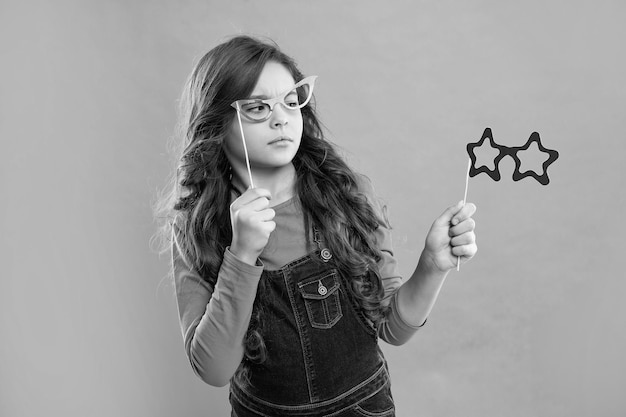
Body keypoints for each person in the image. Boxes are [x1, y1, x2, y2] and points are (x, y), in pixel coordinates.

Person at [156, 35, 477, 417]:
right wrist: (241, 255)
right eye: (257, 107)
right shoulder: (198, 225)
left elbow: (392, 328)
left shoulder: (347, 194)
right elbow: (214, 369)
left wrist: (432, 265)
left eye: (291, 101)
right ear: (217, 122)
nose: (281, 118)